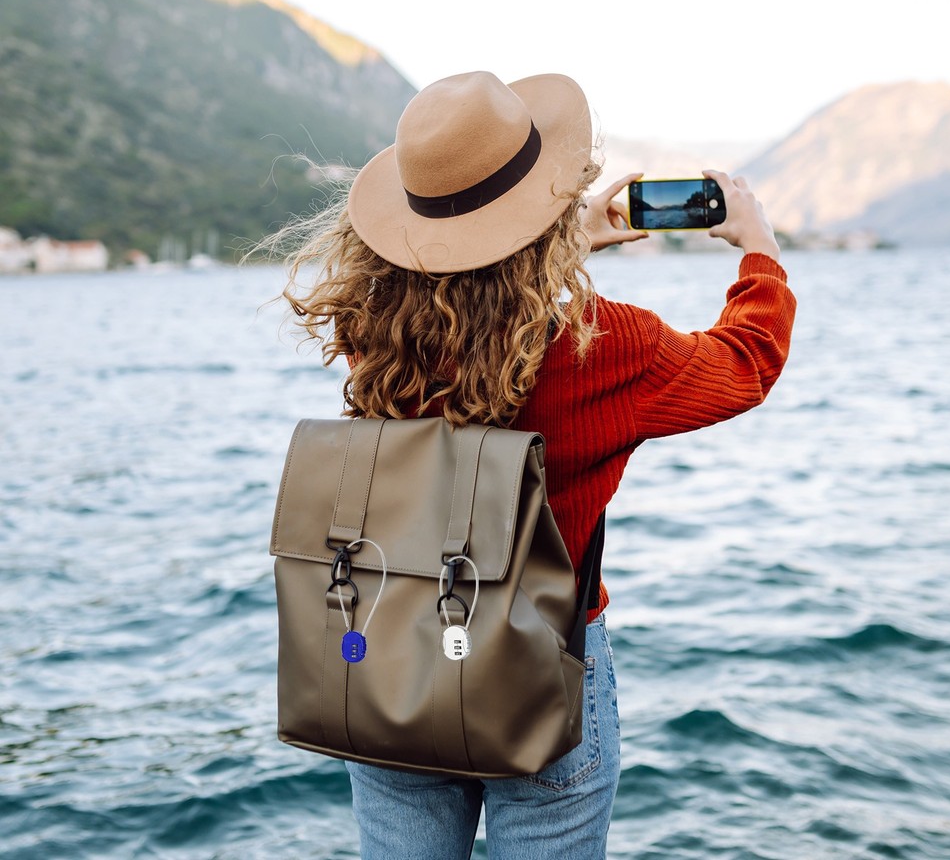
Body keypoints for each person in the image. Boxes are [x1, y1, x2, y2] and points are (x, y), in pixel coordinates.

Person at [274, 70, 796, 859]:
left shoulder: (371, 335)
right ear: (547, 213)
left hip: (391, 662)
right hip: (545, 676)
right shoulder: (602, 346)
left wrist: (551, 242)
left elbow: (466, 303)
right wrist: (757, 245)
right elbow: (746, 361)